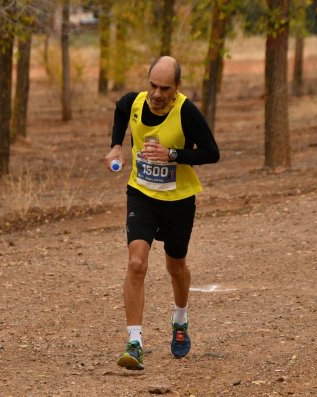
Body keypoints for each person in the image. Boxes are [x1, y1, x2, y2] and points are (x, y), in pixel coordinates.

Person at [104, 56, 220, 370]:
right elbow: (120, 111)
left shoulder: (187, 112)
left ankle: (180, 320)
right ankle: (134, 342)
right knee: (137, 262)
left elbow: (212, 153)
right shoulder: (135, 102)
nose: (156, 94)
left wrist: (173, 155)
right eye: (152, 85)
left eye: (164, 88)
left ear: (177, 87)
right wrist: (117, 145)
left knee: (176, 266)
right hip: (141, 195)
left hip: (179, 201)